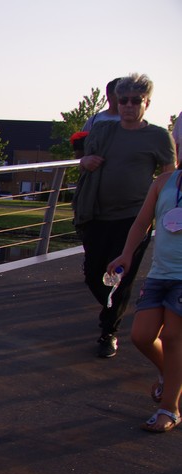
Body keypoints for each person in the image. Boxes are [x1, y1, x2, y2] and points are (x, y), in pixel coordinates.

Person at [75, 73, 176, 358]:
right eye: (124, 101)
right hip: (96, 214)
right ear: (117, 102)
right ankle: (112, 310)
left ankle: (108, 332)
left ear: (147, 103)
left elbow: (169, 175)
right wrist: (84, 161)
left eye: (135, 101)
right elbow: (83, 161)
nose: (129, 106)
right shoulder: (103, 131)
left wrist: (164, 211)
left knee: (120, 276)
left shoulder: (158, 136)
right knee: (93, 274)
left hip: (134, 217)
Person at [107, 167, 182, 432]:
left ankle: (169, 409)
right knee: (142, 336)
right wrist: (126, 254)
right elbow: (142, 222)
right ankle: (170, 375)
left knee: (173, 338)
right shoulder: (164, 181)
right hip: (159, 273)